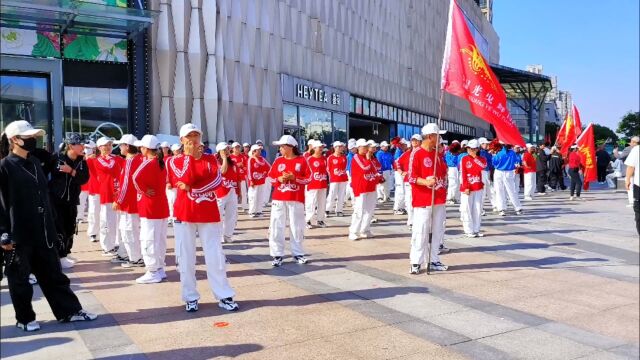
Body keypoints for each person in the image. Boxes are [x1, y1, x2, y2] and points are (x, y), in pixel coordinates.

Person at [1, 120, 97, 332]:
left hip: (44, 231)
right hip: (20, 234)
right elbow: (2, 204)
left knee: (54, 275)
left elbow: (44, 196)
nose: (33, 140)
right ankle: (24, 318)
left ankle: (68, 311)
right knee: (20, 279)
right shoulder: (5, 167)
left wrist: (55, 227)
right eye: (28, 137)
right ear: (14, 140)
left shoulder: (35, 163)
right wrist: (3, 234)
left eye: (34, 137)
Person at [168, 123, 239, 312]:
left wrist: (194, 188)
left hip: (208, 212)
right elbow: (183, 179)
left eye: (196, 135)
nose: (192, 139)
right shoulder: (174, 161)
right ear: (181, 140)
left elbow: (217, 181)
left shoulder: (210, 159)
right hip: (185, 213)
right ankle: (190, 296)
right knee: (186, 256)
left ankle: (223, 294)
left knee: (215, 255)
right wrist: (190, 158)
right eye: (188, 136)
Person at [408, 124, 449, 274]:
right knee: (421, 231)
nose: (440, 139)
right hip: (423, 199)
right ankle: (416, 262)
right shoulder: (416, 153)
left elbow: (443, 172)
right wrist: (426, 182)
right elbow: (411, 177)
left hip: (438, 198)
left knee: (438, 230)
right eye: (438, 135)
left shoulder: (437, 154)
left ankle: (434, 260)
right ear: (431, 136)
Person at [267, 135, 312, 266]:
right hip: (279, 198)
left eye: (282, 146)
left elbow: (309, 178)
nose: (280, 148)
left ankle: (297, 253)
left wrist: (295, 177)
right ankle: (277, 255)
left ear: (290, 147)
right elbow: (270, 177)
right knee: (276, 226)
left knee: (296, 226)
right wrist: (278, 180)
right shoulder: (278, 161)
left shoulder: (302, 160)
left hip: (296, 198)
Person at [48, 133, 90, 269]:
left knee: (70, 228)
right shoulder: (57, 157)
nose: (83, 146)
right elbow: (45, 172)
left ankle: (66, 252)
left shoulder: (82, 161)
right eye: (80, 144)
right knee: (59, 228)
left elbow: (84, 179)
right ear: (71, 145)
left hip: (71, 200)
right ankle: (59, 256)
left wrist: (70, 170)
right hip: (56, 200)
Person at [113, 134, 144, 268]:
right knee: (129, 230)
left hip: (130, 203)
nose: (119, 147)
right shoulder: (137, 159)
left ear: (127, 146)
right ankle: (132, 255)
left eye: (121, 145)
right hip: (133, 201)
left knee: (129, 230)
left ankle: (136, 258)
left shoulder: (131, 161)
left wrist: (119, 200)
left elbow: (126, 184)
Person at [94, 137, 124, 256]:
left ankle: (116, 243)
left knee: (118, 220)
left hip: (118, 191)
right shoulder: (98, 160)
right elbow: (109, 167)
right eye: (105, 145)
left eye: (110, 145)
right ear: (99, 147)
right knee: (107, 220)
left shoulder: (117, 158)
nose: (108, 147)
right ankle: (107, 247)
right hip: (107, 193)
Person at [348, 139, 381, 240]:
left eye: (366, 146)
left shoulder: (370, 157)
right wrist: (367, 159)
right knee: (359, 210)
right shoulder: (356, 157)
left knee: (369, 210)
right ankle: (353, 231)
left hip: (371, 186)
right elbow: (365, 168)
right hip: (361, 188)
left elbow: (376, 168)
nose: (366, 148)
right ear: (358, 148)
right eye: (363, 147)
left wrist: (377, 176)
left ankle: (365, 230)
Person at [459, 139, 486, 237]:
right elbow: (463, 174)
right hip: (467, 188)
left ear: (476, 149)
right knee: (467, 209)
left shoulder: (481, 159)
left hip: (478, 187)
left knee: (477, 209)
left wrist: (475, 158)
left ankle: (476, 229)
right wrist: (466, 186)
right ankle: (468, 230)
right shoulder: (464, 159)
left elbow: (482, 167)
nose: (469, 150)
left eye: (472, 148)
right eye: (468, 148)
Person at [214, 142, 240, 243]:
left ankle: (228, 234)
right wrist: (224, 158)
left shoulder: (233, 163)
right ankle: (219, 235)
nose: (227, 151)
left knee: (232, 214)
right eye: (224, 150)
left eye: (228, 149)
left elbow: (237, 178)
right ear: (219, 151)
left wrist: (239, 192)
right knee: (219, 214)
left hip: (232, 191)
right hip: (220, 191)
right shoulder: (215, 162)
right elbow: (222, 171)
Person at [492, 143, 523, 216]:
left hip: (500, 172)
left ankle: (502, 209)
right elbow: (517, 161)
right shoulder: (512, 153)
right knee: (511, 190)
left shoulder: (499, 153)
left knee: (500, 191)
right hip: (507, 172)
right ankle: (517, 208)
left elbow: (494, 162)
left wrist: (493, 155)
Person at [304, 140, 329, 228]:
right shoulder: (309, 159)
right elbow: (305, 172)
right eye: (319, 147)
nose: (321, 148)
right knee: (311, 202)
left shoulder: (324, 158)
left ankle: (320, 220)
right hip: (312, 184)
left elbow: (327, 171)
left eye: (322, 147)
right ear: (314, 148)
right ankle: (308, 220)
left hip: (322, 183)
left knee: (322, 202)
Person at [325, 141, 348, 217]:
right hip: (334, 179)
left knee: (341, 195)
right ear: (335, 148)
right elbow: (328, 169)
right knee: (332, 194)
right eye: (339, 147)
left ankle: (339, 210)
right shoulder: (330, 158)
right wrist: (332, 176)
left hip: (343, 178)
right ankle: (327, 209)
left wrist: (341, 172)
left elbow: (345, 167)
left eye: (341, 146)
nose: (340, 148)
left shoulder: (344, 157)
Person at [247, 144, 271, 217]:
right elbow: (249, 170)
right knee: (253, 196)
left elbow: (269, 167)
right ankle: (252, 211)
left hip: (262, 181)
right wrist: (251, 180)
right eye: (258, 150)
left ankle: (259, 211)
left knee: (260, 196)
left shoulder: (262, 159)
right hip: (254, 182)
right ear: (254, 151)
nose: (260, 151)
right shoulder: (251, 159)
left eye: (260, 150)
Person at [85, 142, 101, 243]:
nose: (87, 149)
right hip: (94, 189)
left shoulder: (101, 158)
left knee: (104, 214)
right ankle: (93, 233)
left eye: (89, 148)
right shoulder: (87, 159)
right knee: (94, 212)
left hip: (105, 189)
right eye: (86, 148)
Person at [76, 141, 95, 224]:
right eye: (85, 147)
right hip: (83, 183)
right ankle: (79, 217)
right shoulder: (80, 157)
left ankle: (92, 219)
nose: (85, 149)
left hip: (93, 183)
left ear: (93, 149)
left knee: (93, 203)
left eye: (88, 148)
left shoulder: (96, 158)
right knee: (81, 201)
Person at [624, 144, 639, 234]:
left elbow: (630, 166)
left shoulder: (636, 149)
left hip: (638, 184)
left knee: (638, 208)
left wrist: (627, 180)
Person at [230, 142, 248, 213]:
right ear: (233, 149)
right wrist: (237, 165)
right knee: (233, 193)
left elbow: (247, 167)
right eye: (236, 147)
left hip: (242, 177)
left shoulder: (243, 157)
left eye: (238, 147)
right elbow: (228, 167)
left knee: (243, 192)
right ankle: (233, 207)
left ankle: (244, 206)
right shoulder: (230, 157)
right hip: (233, 178)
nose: (237, 149)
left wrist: (243, 167)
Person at [478, 138, 495, 214]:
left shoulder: (486, 153)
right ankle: (480, 208)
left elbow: (491, 163)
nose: (487, 145)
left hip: (487, 172)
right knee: (483, 191)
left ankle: (495, 205)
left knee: (490, 190)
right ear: (481, 144)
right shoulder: (479, 153)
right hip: (482, 172)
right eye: (486, 144)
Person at [166, 143, 182, 224]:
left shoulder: (184, 158)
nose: (179, 151)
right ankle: (171, 217)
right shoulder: (169, 160)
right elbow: (167, 171)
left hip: (181, 184)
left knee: (179, 201)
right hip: (172, 184)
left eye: (180, 149)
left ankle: (178, 216)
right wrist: (168, 182)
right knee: (171, 201)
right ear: (173, 151)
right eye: (177, 150)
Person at [392, 139, 408, 215]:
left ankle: (401, 207)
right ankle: (397, 208)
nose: (406, 146)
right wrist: (400, 172)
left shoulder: (402, 151)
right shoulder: (398, 152)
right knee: (400, 190)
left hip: (402, 172)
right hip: (399, 173)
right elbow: (397, 162)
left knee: (403, 190)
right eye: (405, 144)